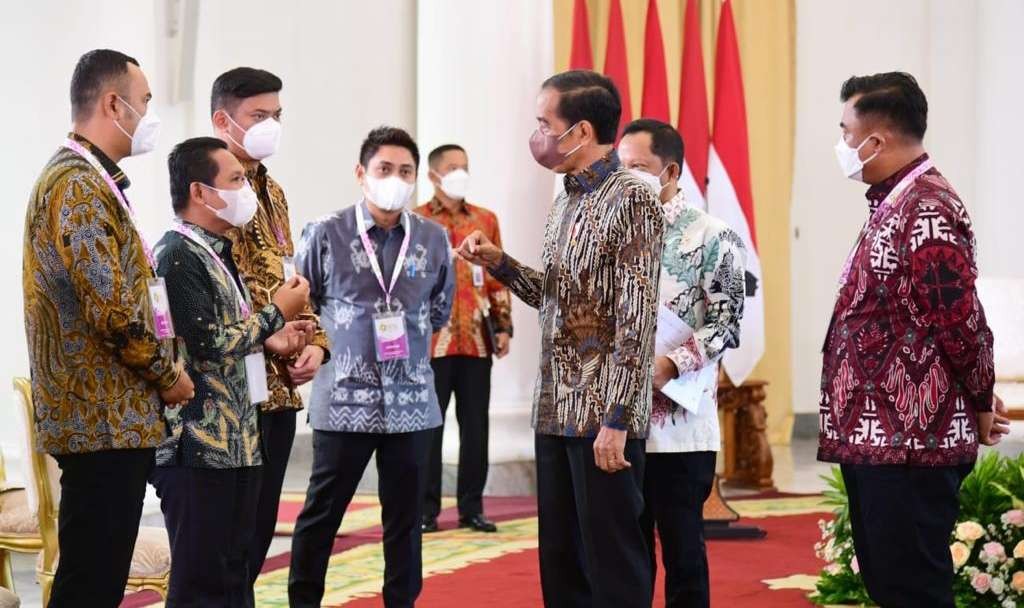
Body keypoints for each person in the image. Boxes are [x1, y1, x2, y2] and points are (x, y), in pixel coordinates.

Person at [458, 70, 663, 608]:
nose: (538, 135)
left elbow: (636, 318)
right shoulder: (567, 199)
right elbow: (554, 297)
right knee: (563, 561)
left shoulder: (632, 200)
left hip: (603, 415)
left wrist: (617, 419)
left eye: (545, 123)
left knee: (613, 562)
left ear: (581, 131)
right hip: (556, 407)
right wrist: (498, 262)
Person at [819, 72, 1011, 608]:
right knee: (891, 585)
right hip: (886, 437)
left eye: (845, 130)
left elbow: (958, 318)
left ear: (874, 141)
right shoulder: (895, 201)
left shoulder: (926, 206)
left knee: (912, 589)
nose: (841, 144)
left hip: (911, 440)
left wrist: (978, 397)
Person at [21, 49, 195, 608]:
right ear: (112, 103)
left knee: (96, 577)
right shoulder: (76, 184)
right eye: (144, 102)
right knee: (89, 582)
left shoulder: (95, 181)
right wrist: (168, 375)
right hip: (99, 419)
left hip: (113, 418)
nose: (148, 114)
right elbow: (111, 309)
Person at [288, 126, 455, 608]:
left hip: (412, 403)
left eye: (406, 172)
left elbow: (439, 309)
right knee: (323, 512)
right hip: (343, 398)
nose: (395, 180)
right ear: (362, 174)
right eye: (385, 169)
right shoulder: (325, 232)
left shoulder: (434, 237)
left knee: (405, 519)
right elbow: (302, 303)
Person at [151, 137, 313, 606]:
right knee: (201, 582)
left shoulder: (216, 250)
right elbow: (205, 345)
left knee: (234, 575)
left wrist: (271, 337)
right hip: (198, 447)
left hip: (237, 442)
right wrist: (275, 314)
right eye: (237, 180)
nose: (248, 191)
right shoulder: (178, 255)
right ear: (201, 193)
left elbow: (228, 329)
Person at [209, 66, 331, 583]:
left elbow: (290, 276)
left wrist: (315, 343)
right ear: (223, 120)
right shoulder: (210, 184)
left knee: (258, 534)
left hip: (278, 389)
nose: (271, 127)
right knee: (224, 542)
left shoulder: (272, 190)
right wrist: (270, 331)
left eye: (276, 116)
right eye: (259, 116)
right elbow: (211, 289)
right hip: (231, 391)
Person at [619, 118, 746, 608]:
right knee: (627, 552)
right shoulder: (615, 237)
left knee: (682, 550)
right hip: (618, 424)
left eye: (638, 169)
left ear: (669, 171)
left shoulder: (712, 236)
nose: (626, 179)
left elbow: (726, 321)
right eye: (620, 168)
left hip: (681, 425)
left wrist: (671, 363)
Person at [414, 144, 513, 534]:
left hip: (476, 340)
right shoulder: (417, 220)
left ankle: (472, 507)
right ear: (434, 175)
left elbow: (497, 276)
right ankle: (425, 510)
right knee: (429, 428)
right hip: (431, 344)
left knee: (476, 427)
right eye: (453, 167)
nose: (461, 173)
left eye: (465, 167)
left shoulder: (485, 219)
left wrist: (503, 327)